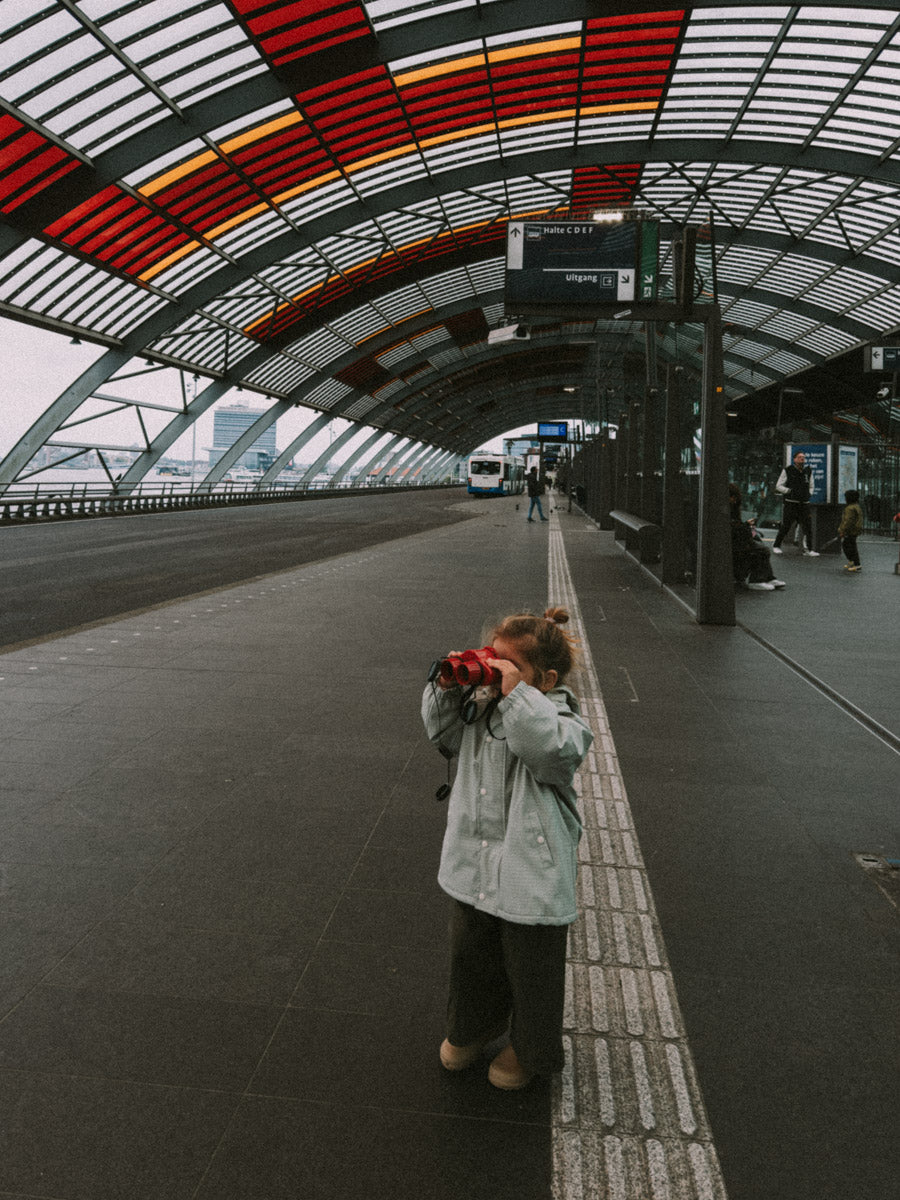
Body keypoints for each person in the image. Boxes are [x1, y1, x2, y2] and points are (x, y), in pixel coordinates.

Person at [422, 608, 593, 1090]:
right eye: (490, 660)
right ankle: (469, 1030)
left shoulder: (559, 714)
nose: (494, 672)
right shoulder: (481, 703)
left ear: (547, 678)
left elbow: (551, 751)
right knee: (471, 952)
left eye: (508, 667)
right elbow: (441, 735)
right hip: (475, 857)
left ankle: (529, 1047)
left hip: (529, 863)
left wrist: (517, 696)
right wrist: (448, 685)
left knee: (531, 966)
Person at [729, 484, 786, 590]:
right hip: (733, 542)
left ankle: (767, 577)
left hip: (736, 539)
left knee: (759, 546)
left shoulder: (731, 509)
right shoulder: (729, 510)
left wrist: (746, 527)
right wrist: (746, 526)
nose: (734, 500)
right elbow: (733, 528)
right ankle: (757, 579)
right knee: (761, 550)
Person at [772, 450, 819, 555]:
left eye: (803, 457)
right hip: (791, 502)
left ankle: (809, 549)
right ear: (795, 459)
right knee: (786, 526)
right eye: (800, 457)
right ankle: (776, 545)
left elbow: (812, 484)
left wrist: (809, 494)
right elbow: (778, 486)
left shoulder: (808, 471)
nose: (802, 459)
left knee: (807, 527)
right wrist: (788, 491)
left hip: (804, 503)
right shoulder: (788, 470)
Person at [838, 489, 863, 572]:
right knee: (851, 545)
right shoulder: (857, 506)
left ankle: (856, 564)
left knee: (848, 546)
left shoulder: (849, 508)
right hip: (855, 530)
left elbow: (848, 521)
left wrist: (842, 530)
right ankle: (852, 562)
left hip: (850, 531)